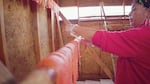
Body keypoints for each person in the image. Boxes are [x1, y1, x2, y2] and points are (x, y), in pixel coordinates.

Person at [65, 0, 150, 84]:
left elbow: (109, 38)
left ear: (148, 12)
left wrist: (74, 28)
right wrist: (92, 41)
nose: (129, 14)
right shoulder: (143, 33)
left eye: (134, 9)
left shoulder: (144, 35)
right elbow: (119, 45)